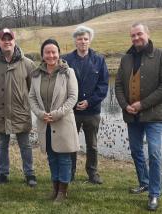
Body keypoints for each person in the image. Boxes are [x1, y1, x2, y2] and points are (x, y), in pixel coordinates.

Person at [115, 22, 162, 211]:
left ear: (147, 34)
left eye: (139, 34)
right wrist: (125, 106)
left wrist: (142, 104)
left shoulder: (159, 56)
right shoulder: (126, 58)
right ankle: (144, 182)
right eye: (133, 35)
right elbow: (118, 85)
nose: (136, 38)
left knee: (154, 153)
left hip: (154, 116)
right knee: (136, 151)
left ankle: (154, 193)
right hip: (131, 117)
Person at [0, 28, 37, 187]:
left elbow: (32, 89)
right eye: (3, 39)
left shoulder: (27, 64)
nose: (7, 42)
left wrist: (21, 100)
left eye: (9, 39)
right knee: (1, 145)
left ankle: (29, 174)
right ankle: (2, 173)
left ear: (14, 41)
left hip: (21, 111)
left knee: (25, 145)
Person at [29, 39, 79, 202]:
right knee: (51, 157)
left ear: (58, 53)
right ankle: (55, 189)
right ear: (42, 55)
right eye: (47, 52)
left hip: (63, 122)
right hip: (45, 123)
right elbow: (31, 98)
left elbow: (72, 97)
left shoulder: (68, 72)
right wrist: (39, 113)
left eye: (53, 52)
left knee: (64, 158)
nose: (51, 55)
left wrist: (57, 114)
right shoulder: (36, 74)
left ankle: (62, 192)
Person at [62, 26, 109, 184]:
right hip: (71, 111)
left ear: (90, 41)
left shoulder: (99, 60)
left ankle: (93, 173)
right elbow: (62, 85)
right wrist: (73, 102)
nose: (83, 41)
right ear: (75, 41)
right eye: (80, 38)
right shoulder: (66, 60)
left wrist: (89, 102)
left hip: (92, 111)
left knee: (92, 145)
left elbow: (103, 86)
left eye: (86, 39)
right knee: (70, 144)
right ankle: (70, 172)